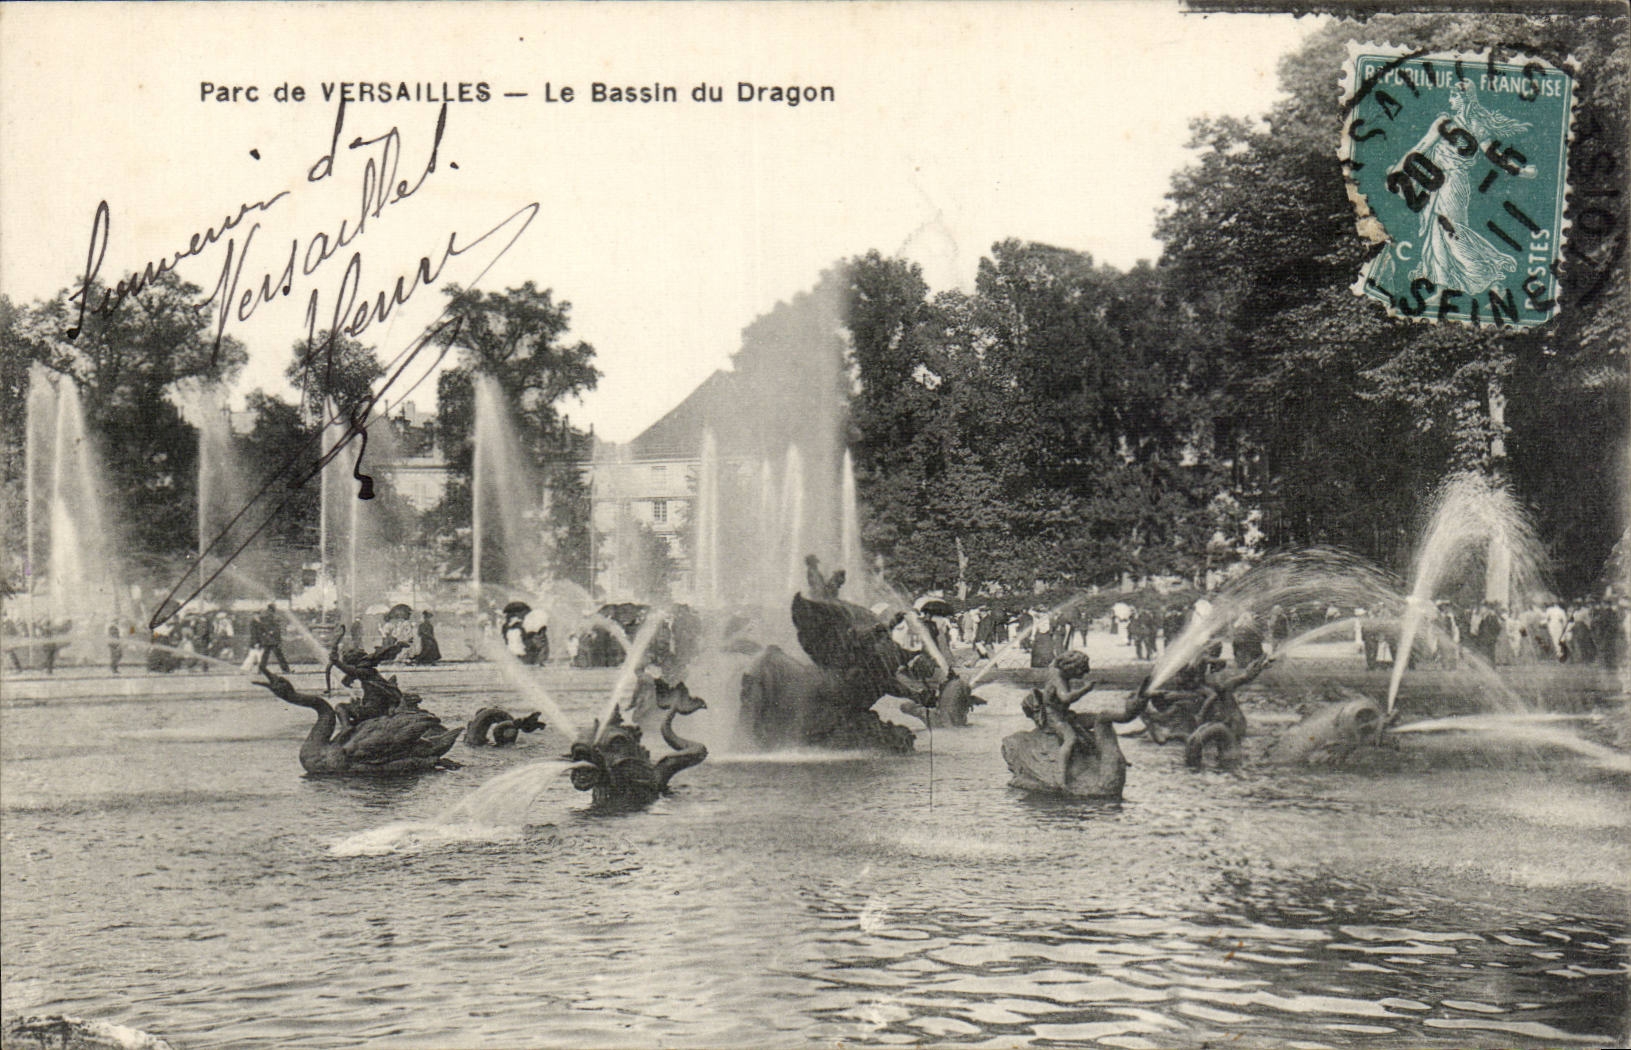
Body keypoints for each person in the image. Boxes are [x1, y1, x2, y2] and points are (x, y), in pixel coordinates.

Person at [258, 603, 290, 673]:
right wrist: (271, 632)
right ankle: (286, 670)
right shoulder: (270, 617)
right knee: (279, 655)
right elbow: (273, 629)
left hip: (268, 640)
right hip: (272, 640)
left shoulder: (266, 617)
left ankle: (260, 670)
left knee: (265, 656)